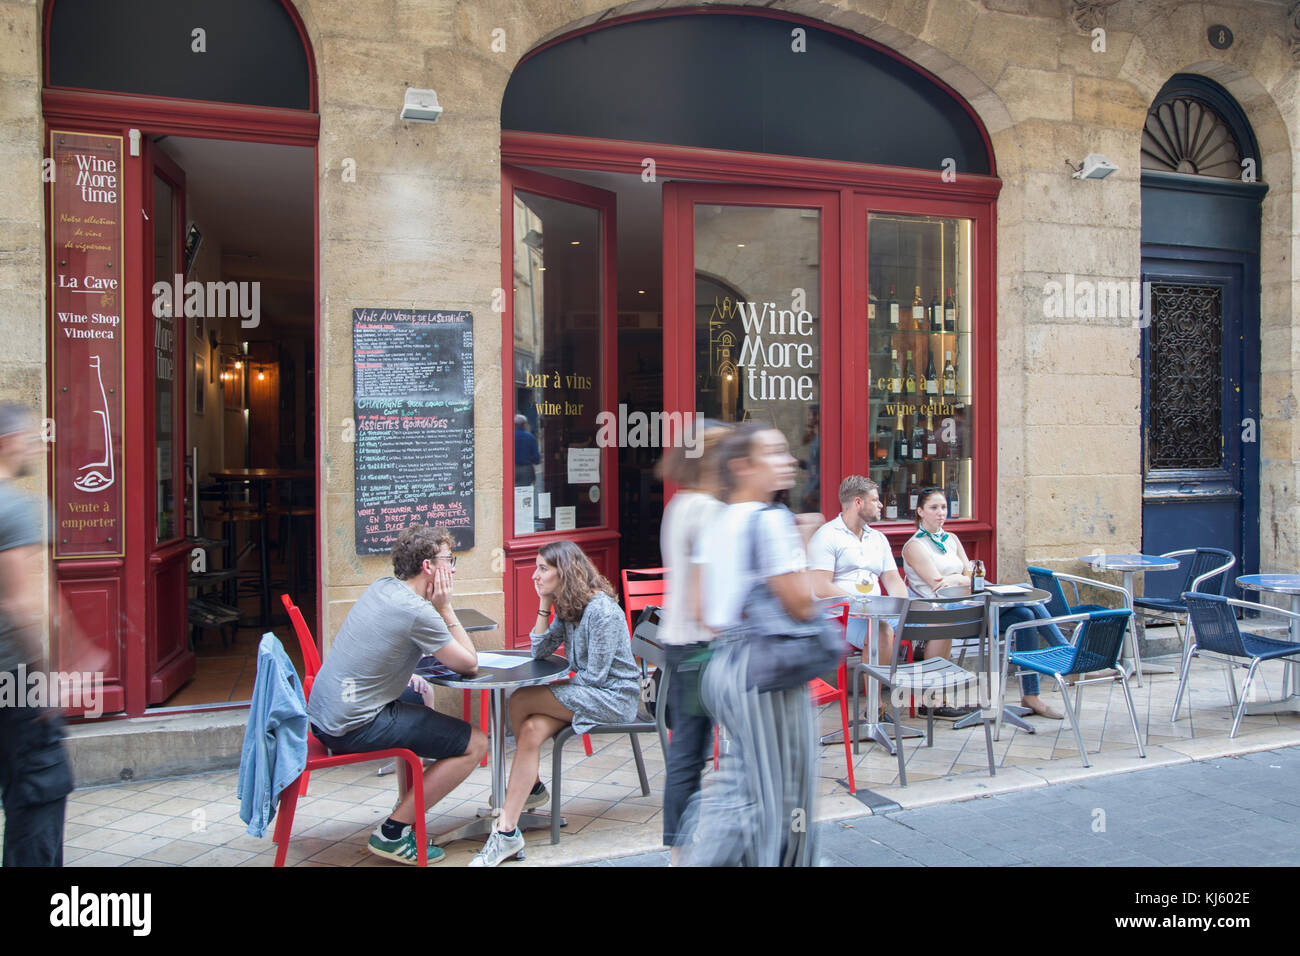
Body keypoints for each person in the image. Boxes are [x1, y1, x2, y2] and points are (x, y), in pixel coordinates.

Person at [306, 524, 488, 864]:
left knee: (419, 700)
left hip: (325, 716)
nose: (452, 569)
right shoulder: (419, 611)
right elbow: (469, 663)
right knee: (475, 743)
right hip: (351, 726)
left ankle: (407, 810)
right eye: (449, 560)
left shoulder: (382, 587)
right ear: (428, 566)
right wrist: (446, 607)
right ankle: (393, 832)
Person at [686, 422, 821, 866]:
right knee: (786, 789)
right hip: (768, 670)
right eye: (775, 452)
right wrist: (804, 542)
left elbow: (702, 611)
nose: (789, 460)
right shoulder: (771, 520)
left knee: (744, 777)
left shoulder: (715, 520)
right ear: (744, 465)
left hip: (725, 667)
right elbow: (801, 603)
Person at [469, 540, 639, 867]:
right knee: (531, 729)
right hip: (589, 693)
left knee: (521, 697)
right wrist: (545, 603)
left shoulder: (601, 611)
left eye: (542, 569)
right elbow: (540, 650)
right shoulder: (569, 606)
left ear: (566, 572)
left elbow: (597, 677)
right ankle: (507, 831)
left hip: (614, 698)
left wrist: (556, 692)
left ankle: (530, 790)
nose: (535, 575)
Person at [902, 488, 1066, 719]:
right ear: (920, 511)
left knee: (1025, 616)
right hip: (945, 610)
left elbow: (971, 575)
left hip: (971, 604)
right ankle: (1065, 651)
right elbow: (938, 584)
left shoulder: (951, 539)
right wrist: (963, 578)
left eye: (944, 507)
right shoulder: (915, 545)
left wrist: (960, 579)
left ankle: (1031, 695)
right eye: (934, 508)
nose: (941, 513)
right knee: (1024, 594)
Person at [0, 404, 73, 866]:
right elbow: (21, 604)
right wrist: (44, 676)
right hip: (13, 676)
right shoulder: (15, 508)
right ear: (6, 442)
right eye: (29, 438)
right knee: (41, 790)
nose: (36, 446)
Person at [655, 421, 729, 864]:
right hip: (705, 647)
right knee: (703, 751)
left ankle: (679, 852)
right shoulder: (709, 510)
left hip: (681, 645)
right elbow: (715, 590)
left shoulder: (680, 504)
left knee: (687, 750)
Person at [807, 475, 910, 672]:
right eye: (875, 500)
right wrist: (860, 604)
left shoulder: (878, 538)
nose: (881, 505)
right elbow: (820, 586)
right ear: (858, 503)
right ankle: (876, 693)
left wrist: (901, 607)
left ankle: (932, 687)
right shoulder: (827, 535)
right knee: (882, 632)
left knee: (936, 623)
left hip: (878, 613)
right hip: (839, 616)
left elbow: (893, 579)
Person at [513, 414, 540, 488]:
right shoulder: (530, 437)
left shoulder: (509, 437)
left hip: (512, 469)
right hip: (526, 470)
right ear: (524, 425)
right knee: (526, 491)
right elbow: (536, 458)